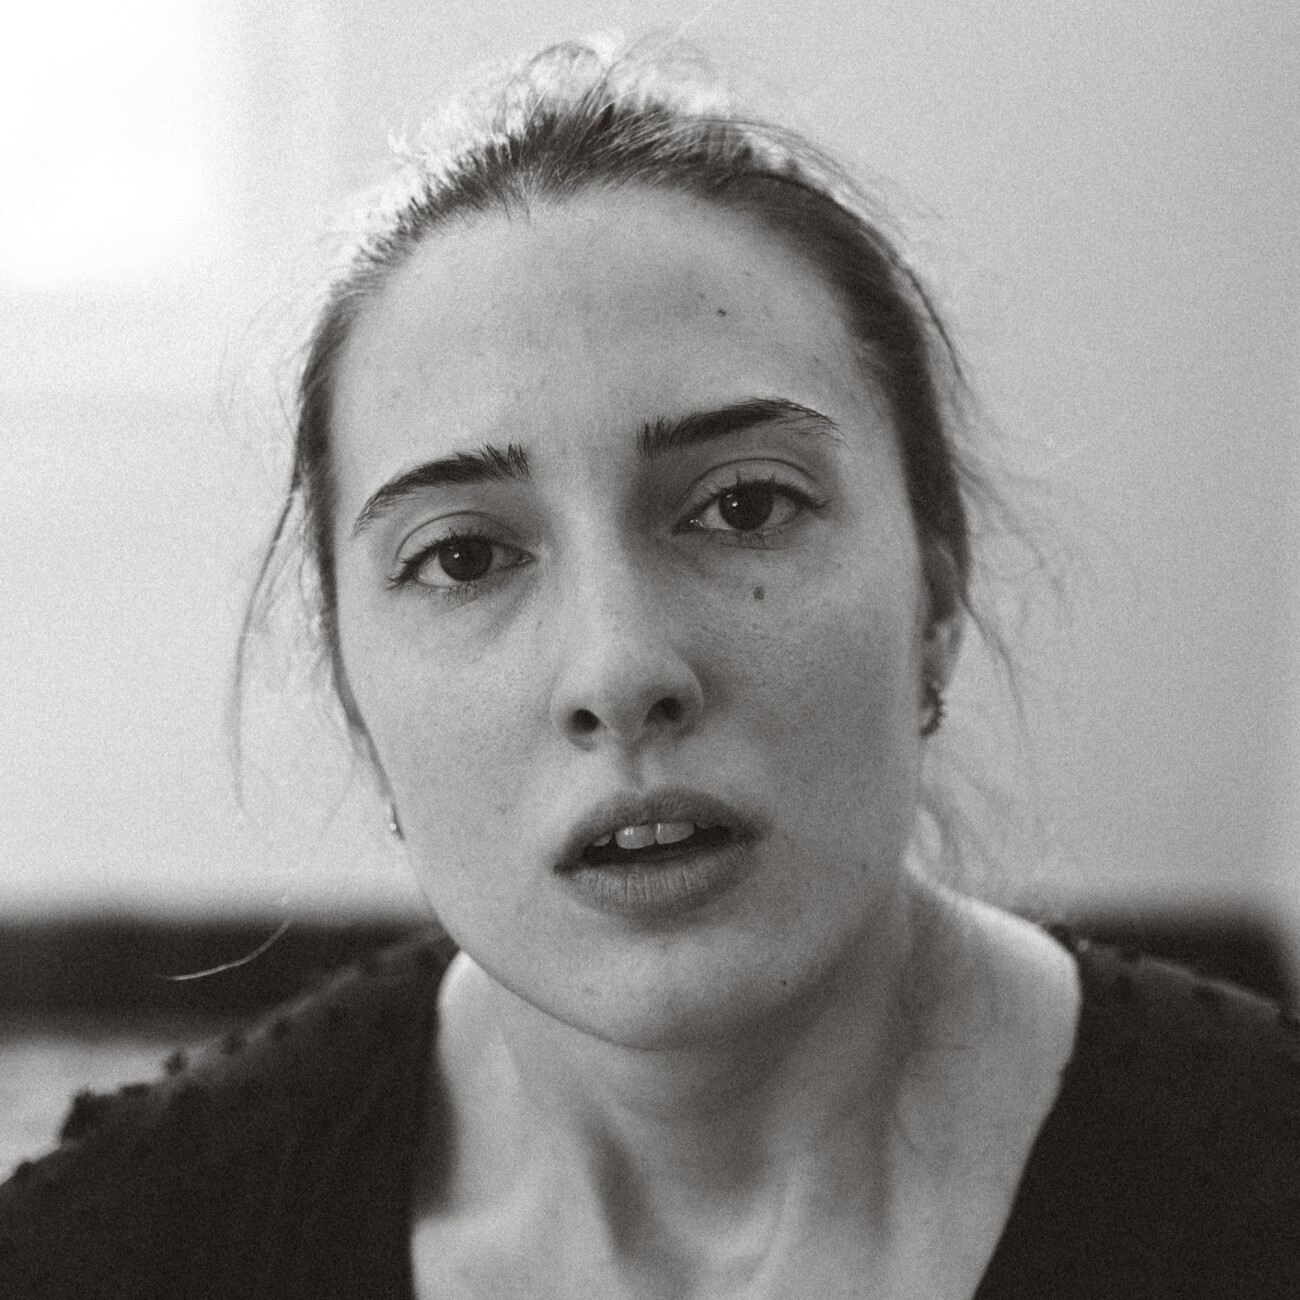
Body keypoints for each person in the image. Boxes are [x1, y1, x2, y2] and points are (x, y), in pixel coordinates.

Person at [1, 36, 1297, 1300]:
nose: (620, 670)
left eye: (744, 507)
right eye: (463, 557)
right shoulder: (127, 1248)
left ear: (938, 595)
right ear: (352, 691)